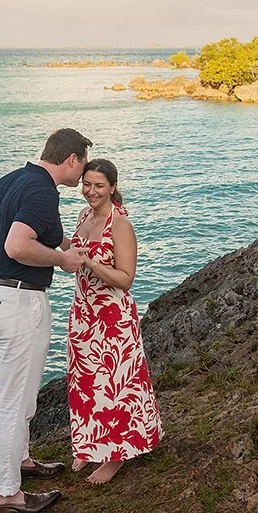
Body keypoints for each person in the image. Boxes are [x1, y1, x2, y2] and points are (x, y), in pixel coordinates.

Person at [0, 128, 92, 513]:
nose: (84, 174)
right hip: (20, 300)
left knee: (22, 394)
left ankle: (21, 459)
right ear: (71, 159)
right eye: (84, 164)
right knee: (13, 401)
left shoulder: (7, 181)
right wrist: (62, 260)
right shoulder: (42, 191)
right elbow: (15, 245)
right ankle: (9, 495)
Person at [66, 158, 163, 485]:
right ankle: (90, 443)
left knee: (116, 385)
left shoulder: (119, 224)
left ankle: (117, 456)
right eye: (87, 184)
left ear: (112, 188)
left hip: (112, 318)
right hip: (83, 313)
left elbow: (125, 279)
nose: (91, 191)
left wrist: (90, 262)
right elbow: (74, 254)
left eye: (99, 186)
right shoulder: (83, 216)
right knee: (85, 382)